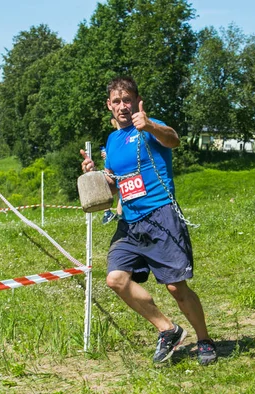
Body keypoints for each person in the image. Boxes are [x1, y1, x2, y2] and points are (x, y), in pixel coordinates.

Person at [80, 76, 217, 365]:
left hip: (160, 215)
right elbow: (114, 184)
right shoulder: (113, 140)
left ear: (136, 100)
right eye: (116, 101)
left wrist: (151, 125)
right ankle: (168, 329)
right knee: (116, 279)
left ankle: (204, 340)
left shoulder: (149, 126)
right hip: (129, 223)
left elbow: (174, 139)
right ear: (109, 106)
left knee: (176, 287)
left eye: (127, 99)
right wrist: (95, 174)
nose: (122, 106)